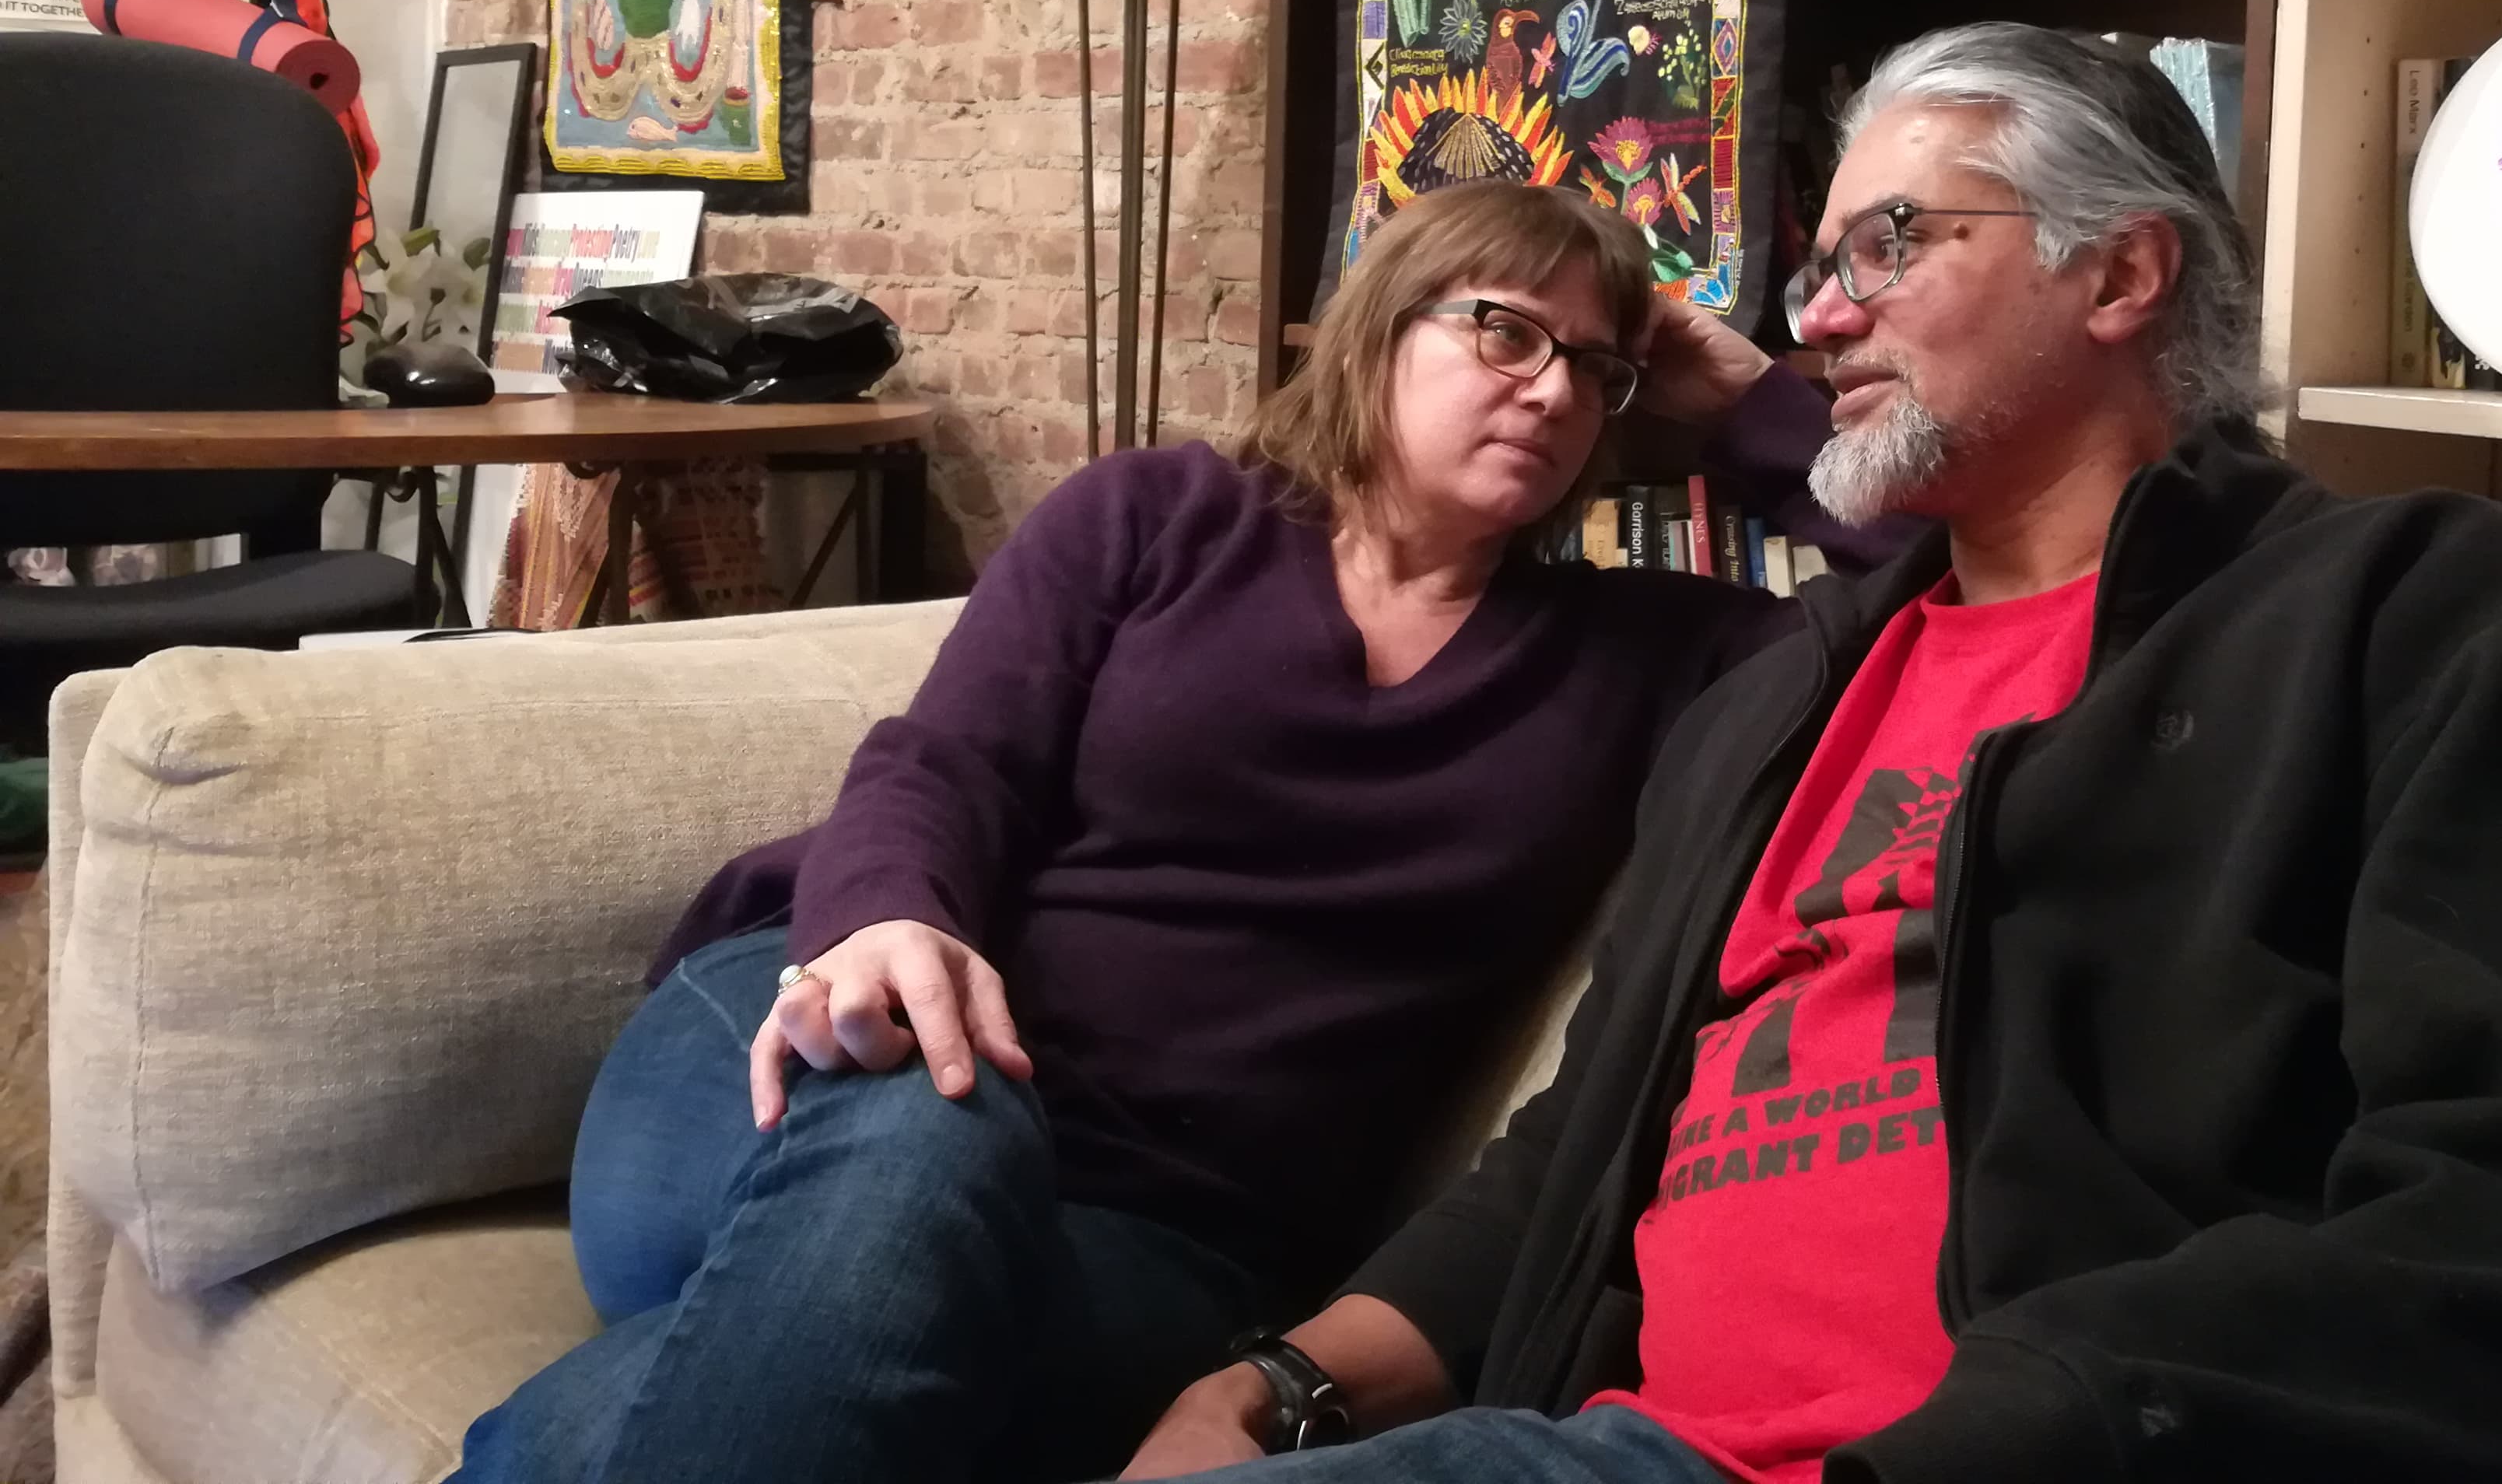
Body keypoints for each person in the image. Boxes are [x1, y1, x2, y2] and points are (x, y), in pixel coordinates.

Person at [1126, 22, 2502, 1484]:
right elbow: (1576, 1152)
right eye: (1819, 267)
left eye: (1889, 245)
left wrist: (2013, 1433)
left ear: (2122, 275)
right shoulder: (1775, 700)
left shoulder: (2422, 622)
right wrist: (1268, 1385)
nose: (1820, 318)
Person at [454, 178, 1898, 1484]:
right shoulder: (1161, 515)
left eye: (1598, 368)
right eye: (1506, 332)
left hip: (1166, 1236)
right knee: (931, 1135)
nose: (1554, 389)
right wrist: (887, 920)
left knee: (751, 1373)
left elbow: (1950, 578)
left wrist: (1749, 398)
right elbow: (946, 760)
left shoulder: (1648, 653)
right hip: (813, 1044)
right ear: (1379, 327)